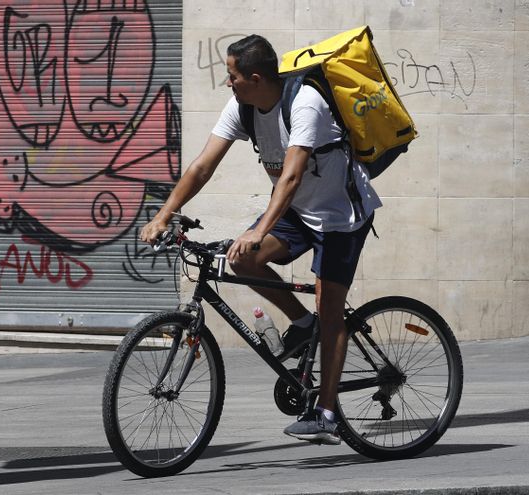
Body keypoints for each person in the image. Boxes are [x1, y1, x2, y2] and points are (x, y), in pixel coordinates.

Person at [140, 34, 381, 445]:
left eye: (231, 75)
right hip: (296, 211)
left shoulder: (306, 103)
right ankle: (304, 325)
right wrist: (164, 213)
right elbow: (202, 166)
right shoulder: (243, 107)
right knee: (242, 261)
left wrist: (258, 229)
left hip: (341, 216)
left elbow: (291, 175)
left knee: (331, 307)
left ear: (254, 77)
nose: (227, 83)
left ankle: (326, 414)